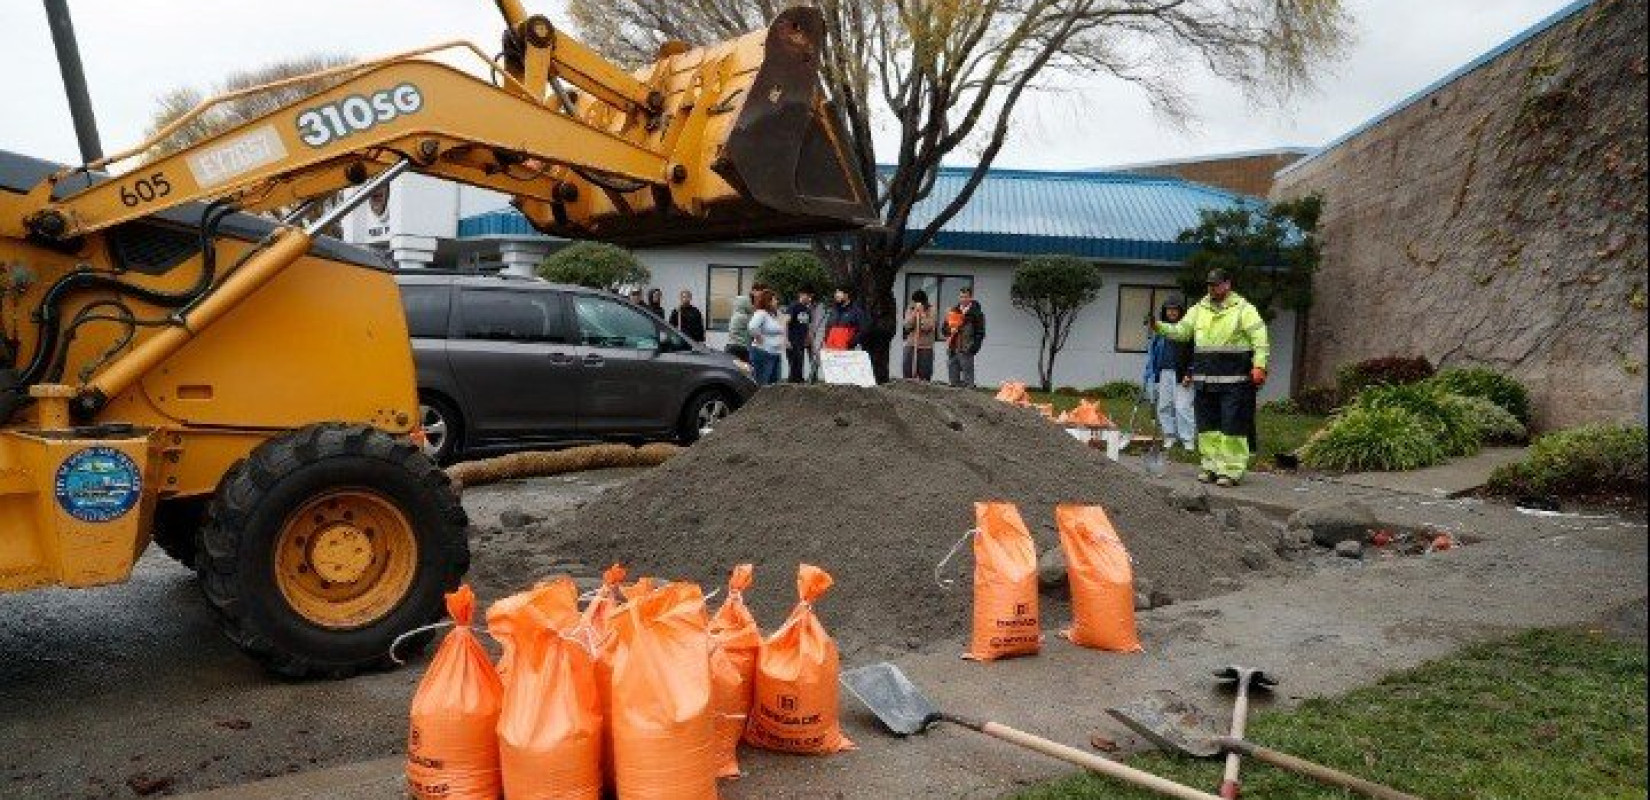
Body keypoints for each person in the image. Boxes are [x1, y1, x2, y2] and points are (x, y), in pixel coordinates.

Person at [1152, 268, 1270, 487]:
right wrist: (1159, 327)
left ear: (1228, 284)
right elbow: (1181, 331)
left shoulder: (1244, 309)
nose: (1212, 288)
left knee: (1232, 426)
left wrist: (1259, 366)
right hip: (1205, 379)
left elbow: (1260, 339)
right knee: (1208, 426)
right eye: (1210, 285)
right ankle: (1210, 466)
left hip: (1235, 381)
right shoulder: (1199, 309)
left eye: (1216, 284)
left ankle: (1231, 471)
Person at [1142, 295, 1197, 452]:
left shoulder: (1187, 330)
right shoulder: (1160, 330)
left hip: (1182, 374)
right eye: (1169, 309)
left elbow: (1195, 354)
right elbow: (1153, 353)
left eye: (1175, 309)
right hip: (1164, 373)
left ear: (1181, 311)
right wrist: (1151, 372)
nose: (1171, 312)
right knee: (1164, 406)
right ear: (1164, 311)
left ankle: (1187, 440)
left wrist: (1190, 373)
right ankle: (1170, 436)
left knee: (1182, 407)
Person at [940, 286, 985, 388]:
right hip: (953, 348)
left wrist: (974, 348)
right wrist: (949, 330)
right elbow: (943, 330)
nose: (963, 299)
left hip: (967, 348)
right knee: (953, 381)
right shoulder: (953, 311)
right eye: (961, 297)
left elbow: (980, 333)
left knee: (968, 381)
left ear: (970, 298)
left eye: (965, 297)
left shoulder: (977, 313)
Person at [747, 289, 786, 385]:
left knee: (773, 385)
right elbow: (752, 327)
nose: (777, 302)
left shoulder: (772, 315)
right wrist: (759, 337)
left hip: (775, 353)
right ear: (768, 301)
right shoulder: (761, 313)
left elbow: (781, 328)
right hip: (763, 353)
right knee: (762, 385)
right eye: (774, 300)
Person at [784, 289, 819, 383]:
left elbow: (808, 327)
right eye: (808, 296)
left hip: (802, 343)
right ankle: (792, 386)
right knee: (794, 367)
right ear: (801, 294)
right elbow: (785, 322)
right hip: (792, 341)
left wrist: (811, 344)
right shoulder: (793, 306)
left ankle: (799, 383)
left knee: (800, 366)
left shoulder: (807, 310)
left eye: (811, 297)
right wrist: (786, 339)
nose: (810, 299)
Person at [901, 290, 936, 381]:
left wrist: (923, 315)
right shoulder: (910, 308)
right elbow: (907, 326)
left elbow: (928, 327)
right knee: (907, 370)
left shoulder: (931, 309)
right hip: (911, 344)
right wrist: (914, 314)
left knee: (925, 374)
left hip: (925, 346)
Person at [820, 285, 867, 351]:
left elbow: (863, 330)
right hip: (831, 351)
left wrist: (851, 343)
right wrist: (826, 340)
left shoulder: (856, 311)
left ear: (846, 295)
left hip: (847, 352)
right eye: (835, 293)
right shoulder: (833, 311)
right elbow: (828, 328)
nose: (836, 295)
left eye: (839, 293)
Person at [725, 293, 754, 364]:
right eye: (749, 303)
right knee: (745, 371)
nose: (751, 305)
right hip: (740, 347)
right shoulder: (743, 317)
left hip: (731, 346)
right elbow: (753, 329)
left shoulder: (735, 315)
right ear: (744, 304)